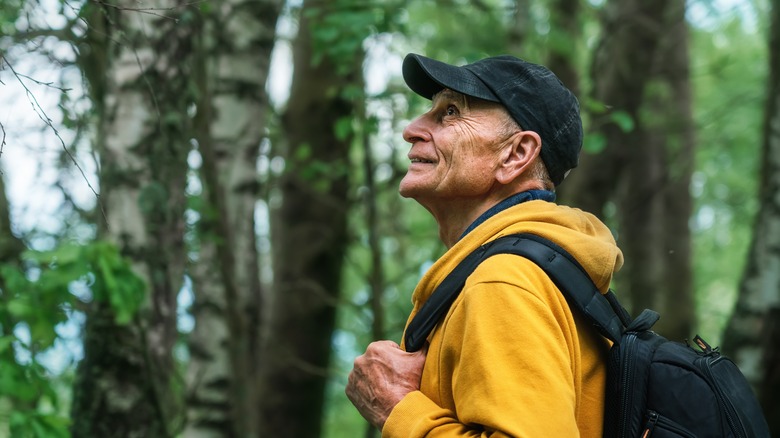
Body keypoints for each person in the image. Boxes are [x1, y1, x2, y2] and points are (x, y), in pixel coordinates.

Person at [345, 53, 623, 437]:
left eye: (452, 112)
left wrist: (399, 410)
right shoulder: (536, 270)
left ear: (516, 154)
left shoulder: (504, 282)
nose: (412, 128)